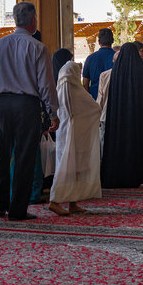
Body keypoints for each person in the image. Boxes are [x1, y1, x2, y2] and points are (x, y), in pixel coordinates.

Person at [0, 2, 59, 219]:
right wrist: (53, 113)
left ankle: (0, 204)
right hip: (27, 107)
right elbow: (46, 85)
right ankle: (17, 210)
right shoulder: (38, 48)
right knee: (25, 158)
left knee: (2, 156)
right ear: (33, 20)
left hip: (3, 106)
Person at [101, 43, 143, 187]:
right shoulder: (141, 71)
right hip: (137, 121)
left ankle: (118, 175)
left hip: (118, 121)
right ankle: (138, 175)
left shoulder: (116, 73)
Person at [49, 60, 102, 216]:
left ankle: (73, 202)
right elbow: (94, 108)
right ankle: (54, 201)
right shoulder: (74, 89)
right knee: (66, 168)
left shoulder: (61, 88)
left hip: (70, 134)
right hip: (72, 135)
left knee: (75, 168)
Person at [82, 27, 115, 100]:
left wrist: (89, 101)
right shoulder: (118, 57)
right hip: (113, 99)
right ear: (113, 40)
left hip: (95, 98)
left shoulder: (90, 58)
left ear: (99, 41)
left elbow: (85, 84)